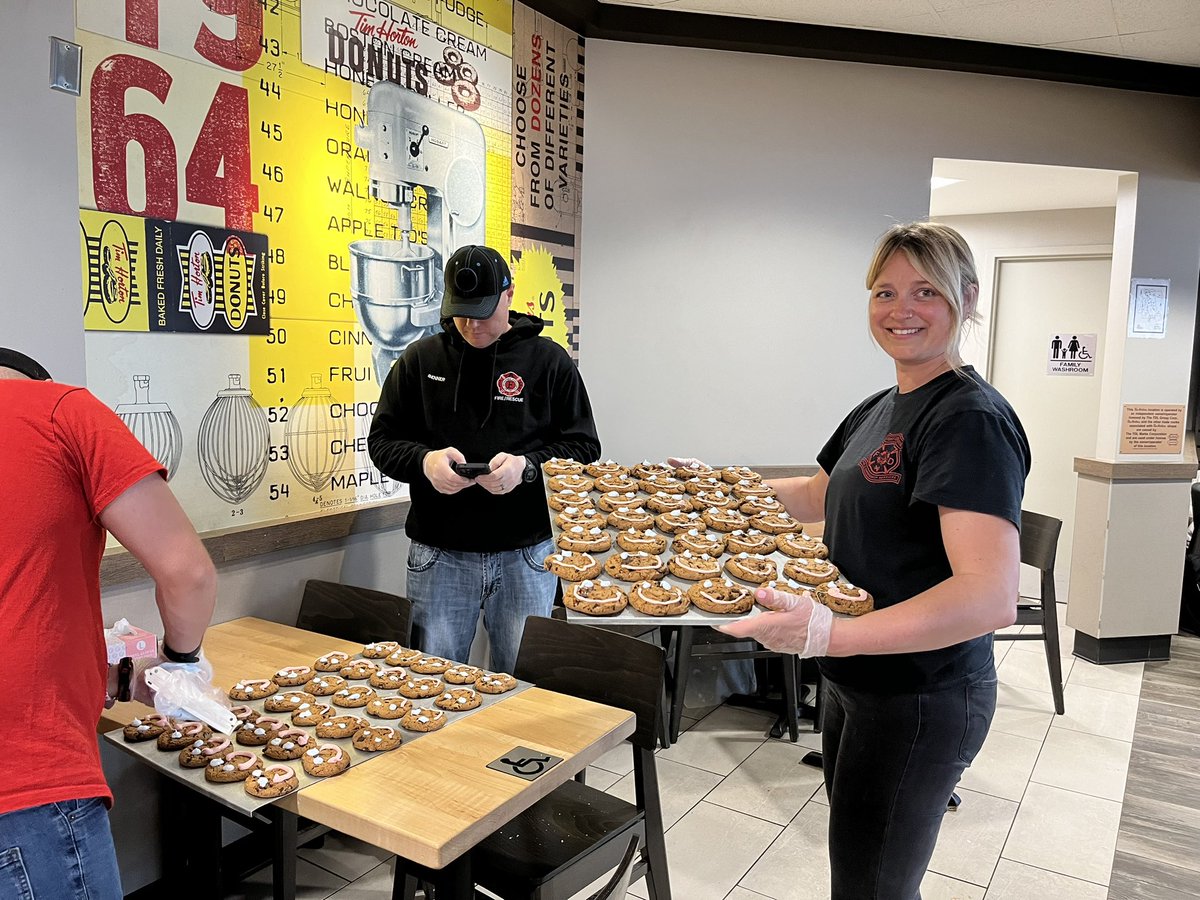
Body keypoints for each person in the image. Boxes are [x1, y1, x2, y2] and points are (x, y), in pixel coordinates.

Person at [679, 222, 1030, 899]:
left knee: (871, 887)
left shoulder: (969, 420)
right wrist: (719, 489)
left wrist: (829, 632)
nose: (901, 310)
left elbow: (990, 597)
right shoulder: (884, 405)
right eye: (885, 291)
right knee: (869, 873)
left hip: (921, 694)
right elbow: (816, 495)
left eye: (925, 291)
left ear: (967, 297)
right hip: (857, 683)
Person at [0, 348, 217, 899]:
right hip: (27, 786)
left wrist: (119, 677)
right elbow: (188, 574)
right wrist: (181, 662)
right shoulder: (59, 411)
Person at [368, 245, 600, 674]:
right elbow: (382, 442)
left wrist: (526, 468)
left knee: (524, 687)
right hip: (439, 555)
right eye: (462, 313)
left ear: (509, 295)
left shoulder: (549, 362)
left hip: (527, 555)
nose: (472, 324)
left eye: (483, 311)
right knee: (431, 686)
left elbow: (584, 449)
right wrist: (424, 462)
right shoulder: (420, 361)